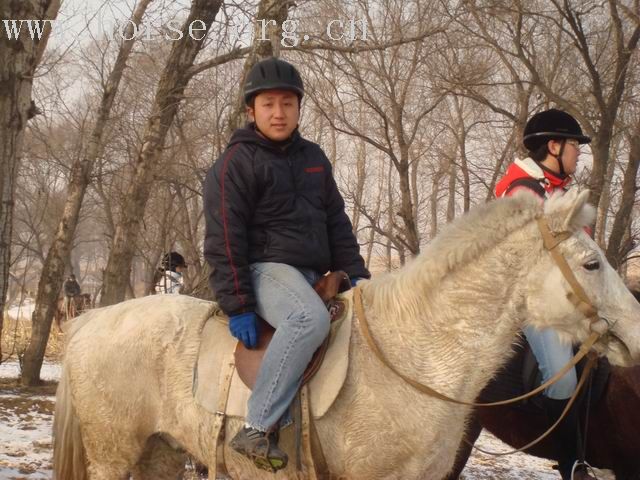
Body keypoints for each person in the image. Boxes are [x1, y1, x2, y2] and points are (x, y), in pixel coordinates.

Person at [203, 57, 370, 472]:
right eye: (268, 104)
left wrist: (358, 275)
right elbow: (225, 238)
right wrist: (238, 302)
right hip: (263, 269)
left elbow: (335, 220)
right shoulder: (234, 165)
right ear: (251, 111)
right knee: (307, 320)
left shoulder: (314, 157)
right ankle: (257, 427)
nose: (279, 113)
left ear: (299, 108)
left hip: (314, 273)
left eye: (288, 104)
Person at [496, 108, 595, 480]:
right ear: (553, 147)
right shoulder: (524, 192)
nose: (578, 153)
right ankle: (570, 463)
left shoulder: (558, 192)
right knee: (563, 375)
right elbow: (529, 263)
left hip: (566, 298)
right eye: (574, 146)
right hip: (533, 301)